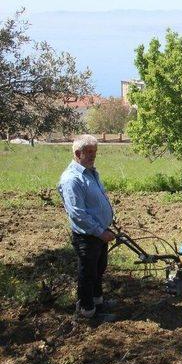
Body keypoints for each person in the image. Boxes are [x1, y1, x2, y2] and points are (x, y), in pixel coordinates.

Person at [58, 135, 117, 321]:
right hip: (88, 235)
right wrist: (100, 232)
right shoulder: (72, 179)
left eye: (95, 152)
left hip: (100, 233)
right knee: (87, 274)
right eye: (89, 152)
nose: (93, 155)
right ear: (78, 153)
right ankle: (87, 312)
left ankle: (98, 303)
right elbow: (78, 214)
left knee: (99, 270)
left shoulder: (91, 172)